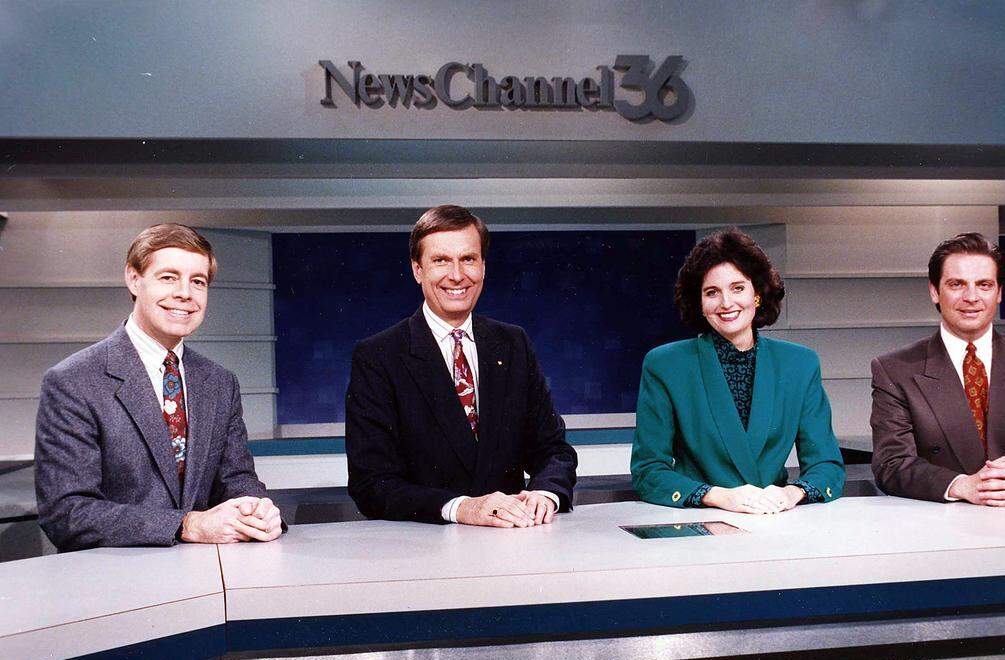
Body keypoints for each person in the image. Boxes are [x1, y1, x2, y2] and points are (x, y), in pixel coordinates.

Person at [35, 224, 283, 551]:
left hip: (207, 579)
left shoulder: (220, 383)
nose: (185, 293)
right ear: (134, 279)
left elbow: (236, 480)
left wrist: (256, 508)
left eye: (198, 282)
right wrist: (185, 524)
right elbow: (67, 513)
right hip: (116, 583)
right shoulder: (73, 381)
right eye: (168, 277)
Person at [345, 205, 577, 526]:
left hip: (513, 541)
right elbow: (371, 485)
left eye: (468, 259)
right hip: (425, 551)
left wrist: (545, 493)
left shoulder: (513, 344)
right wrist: (461, 508)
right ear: (417, 270)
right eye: (441, 261)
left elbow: (554, 450)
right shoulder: (378, 356)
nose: (457, 275)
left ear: (482, 266)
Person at [631, 228, 844, 514]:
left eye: (738, 288)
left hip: (775, 520)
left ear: (758, 293)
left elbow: (826, 466)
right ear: (700, 302)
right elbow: (648, 472)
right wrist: (717, 496)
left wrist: (793, 493)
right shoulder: (665, 365)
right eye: (712, 292)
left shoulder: (800, 364)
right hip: (701, 523)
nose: (726, 303)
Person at [870, 232, 1005, 505]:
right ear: (934, 291)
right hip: (939, 526)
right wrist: (962, 485)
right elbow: (891, 464)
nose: (971, 297)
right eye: (957, 284)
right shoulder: (894, 369)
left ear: (999, 293)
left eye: (984, 285)